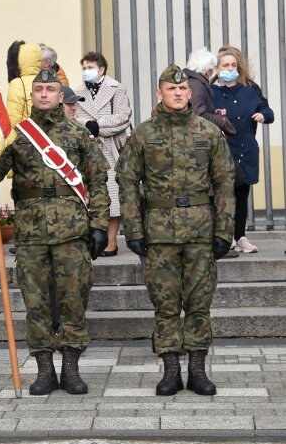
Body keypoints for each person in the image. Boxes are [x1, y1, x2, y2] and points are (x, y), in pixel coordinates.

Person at [116, 64, 235, 396]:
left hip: (200, 231)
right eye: (172, 89)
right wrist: (133, 229)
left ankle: (197, 370)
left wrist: (224, 230)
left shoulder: (209, 133)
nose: (179, 94)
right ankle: (170, 371)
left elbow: (225, 183)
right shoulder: (144, 134)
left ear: (190, 92)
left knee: (199, 303)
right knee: (165, 303)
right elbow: (126, 181)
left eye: (183, 89)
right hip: (159, 233)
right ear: (160, 94)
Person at [0, 68, 110, 396]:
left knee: (74, 300)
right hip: (30, 234)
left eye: (50, 89)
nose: (44, 94)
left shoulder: (76, 134)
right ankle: (44, 370)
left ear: (61, 95)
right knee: (36, 303)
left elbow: (97, 182)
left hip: (72, 232)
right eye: (39, 89)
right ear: (32, 95)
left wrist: (99, 225)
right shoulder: (17, 135)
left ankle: (71, 369)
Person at [212, 47, 274, 254]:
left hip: (245, 151)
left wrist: (263, 115)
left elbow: (267, 111)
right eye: (225, 65)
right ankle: (224, 236)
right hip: (223, 153)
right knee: (221, 196)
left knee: (241, 196)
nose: (230, 69)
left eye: (233, 65)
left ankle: (240, 237)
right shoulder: (211, 93)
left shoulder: (248, 90)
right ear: (216, 68)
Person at [73, 51, 132, 257]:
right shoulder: (77, 91)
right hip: (87, 150)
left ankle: (112, 241)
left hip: (111, 150)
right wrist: (87, 127)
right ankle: (93, 237)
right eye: (84, 68)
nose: (86, 72)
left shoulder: (117, 89)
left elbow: (123, 118)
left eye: (90, 67)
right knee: (89, 195)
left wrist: (96, 126)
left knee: (113, 197)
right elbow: (72, 119)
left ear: (102, 69)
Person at [184, 47, 236, 137]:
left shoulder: (194, 82)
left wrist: (214, 112)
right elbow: (197, 115)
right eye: (212, 70)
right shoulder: (196, 85)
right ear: (208, 71)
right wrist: (220, 120)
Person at [5, 41, 42, 127]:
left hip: (28, 135)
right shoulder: (47, 80)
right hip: (48, 135)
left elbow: (13, 119)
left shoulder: (18, 83)